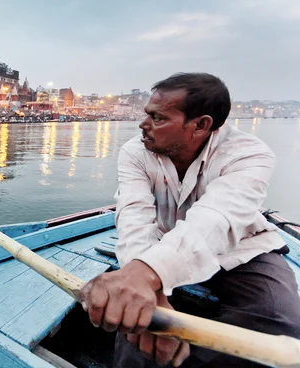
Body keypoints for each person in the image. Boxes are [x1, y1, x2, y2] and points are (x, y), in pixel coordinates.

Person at [80, 73, 300, 367]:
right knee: (139, 321)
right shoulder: (135, 152)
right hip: (162, 245)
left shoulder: (249, 154)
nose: (143, 125)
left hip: (243, 249)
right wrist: (148, 284)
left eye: (158, 118)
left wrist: (146, 275)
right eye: (147, 115)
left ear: (201, 125)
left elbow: (216, 220)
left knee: (279, 318)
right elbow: (134, 217)